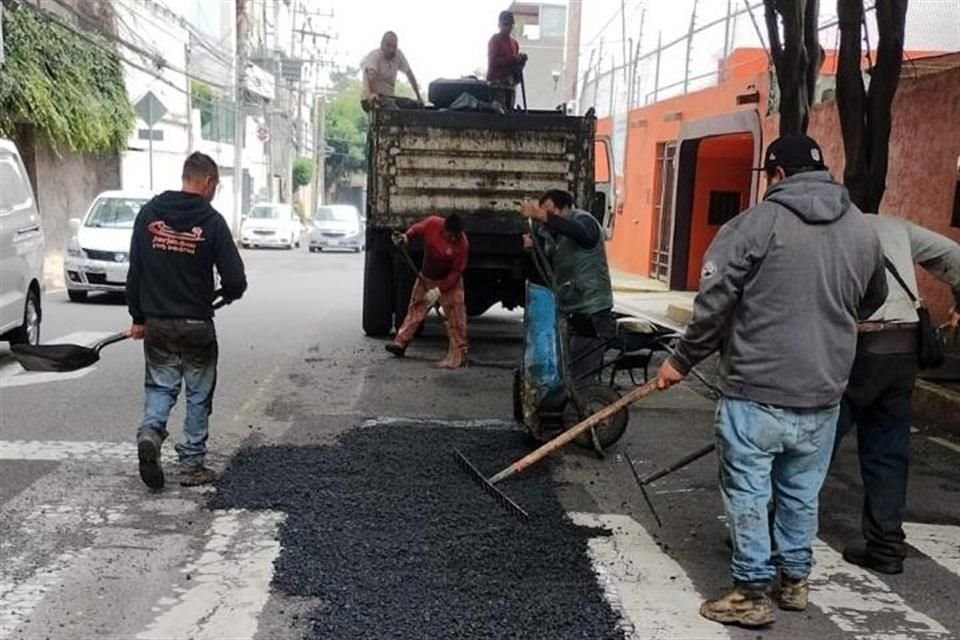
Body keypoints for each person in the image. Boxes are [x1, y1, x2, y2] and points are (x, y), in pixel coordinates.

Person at [655, 134, 888, 628]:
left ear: (776, 175)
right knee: (802, 492)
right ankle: (794, 581)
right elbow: (870, 300)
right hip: (824, 392)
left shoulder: (753, 225)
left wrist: (681, 360)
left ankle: (750, 592)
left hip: (755, 391)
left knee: (748, 491)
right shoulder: (862, 232)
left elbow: (713, 305)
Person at [833, 214, 960, 574]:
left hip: (854, 345)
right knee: (888, 450)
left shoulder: (822, 228)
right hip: (902, 347)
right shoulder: (891, 226)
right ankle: (886, 546)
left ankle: (773, 534)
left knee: (814, 441)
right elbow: (953, 254)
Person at [125, 152, 247, 490]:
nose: (214, 192)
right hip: (196, 324)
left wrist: (138, 317)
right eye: (216, 186)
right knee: (198, 390)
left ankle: (151, 431)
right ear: (207, 182)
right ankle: (192, 464)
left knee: (161, 385)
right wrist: (228, 294)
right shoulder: (212, 221)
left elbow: (135, 272)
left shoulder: (149, 213)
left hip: (158, 323)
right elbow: (235, 279)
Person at [520, 189, 615, 382]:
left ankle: (588, 406)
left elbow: (582, 234)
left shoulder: (584, 221)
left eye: (551, 212)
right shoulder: (549, 234)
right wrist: (532, 247)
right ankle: (576, 407)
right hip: (570, 308)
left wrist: (540, 215)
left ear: (565, 208)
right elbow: (542, 271)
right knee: (568, 367)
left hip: (592, 308)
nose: (547, 218)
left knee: (583, 371)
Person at [386, 214, 469, 368]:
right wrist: (406, 237)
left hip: (450, 282)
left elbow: (456, 272)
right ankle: (400, 343)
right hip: (427, 277)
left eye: (457, 236)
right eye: (451, 235)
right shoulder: (432, 224)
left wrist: (439, 290)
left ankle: (460, 351)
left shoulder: (462, 244)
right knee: (416, 309)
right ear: (444, 229)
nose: (454, 239)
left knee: (456, 315)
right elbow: (417, 230)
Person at [361, 31, 423, 112]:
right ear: (382, 44)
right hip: (371, 97)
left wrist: (419, 97)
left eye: (394, 46)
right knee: (393, 111)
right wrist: (372, 95)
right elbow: (370, 78)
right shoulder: (375, 56)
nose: (391, 50)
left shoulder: (398, 55)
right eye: (388, 45)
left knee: (415, 106)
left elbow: (409, 74)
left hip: (388, 98)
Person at [487, 10, 527, 110]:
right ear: (499, 25)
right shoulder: (495, 40)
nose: (507, 28)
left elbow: (515, 66)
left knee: (510, 114)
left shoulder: (514, 43)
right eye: (505, 24)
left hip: (510, 85)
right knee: (500, 114)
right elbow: (493, 62)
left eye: (510, 25)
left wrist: (521, 62)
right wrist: (514, 59)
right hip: (497, 85)